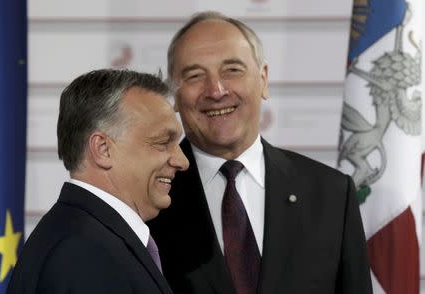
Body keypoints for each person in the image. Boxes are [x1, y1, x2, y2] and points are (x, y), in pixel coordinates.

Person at [148, 11, 373, 294]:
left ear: (263, 79)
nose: (216, 91)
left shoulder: (331, 194)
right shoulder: (147, 198)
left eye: (232, 70)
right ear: (175, 95)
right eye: (194, 76)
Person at [7, 69, 189, 294]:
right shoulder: (85, 251)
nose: (182, 161)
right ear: (102, 149)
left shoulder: (82, 235)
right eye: (163, 142)